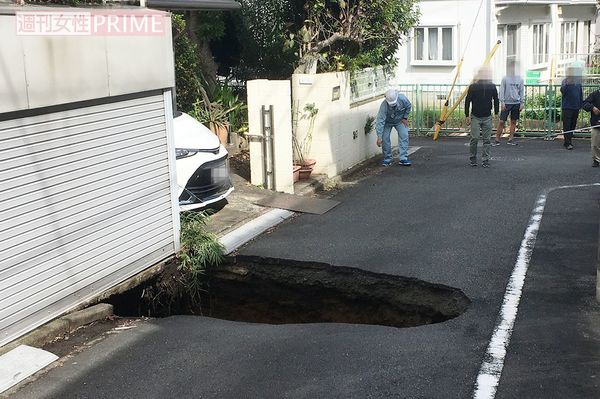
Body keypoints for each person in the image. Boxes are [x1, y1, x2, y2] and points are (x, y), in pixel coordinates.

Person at [465, 66, 499, 167]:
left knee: (487, 139)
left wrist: (496, 114)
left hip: (487, 116)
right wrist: (466, 115)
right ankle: (473, 158)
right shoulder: (473, 86)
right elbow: (467, 101)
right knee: (474, 138)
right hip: (475, 116)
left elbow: (496, 100)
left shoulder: (492, 86)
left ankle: (485, 160)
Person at [376, 89, 412, 166]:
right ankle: (387, 159)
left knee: (404, 135)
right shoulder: (384, 106)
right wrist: (379, 137)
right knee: (385, 138)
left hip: (400, 121)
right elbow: (380, 121)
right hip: (387, 122)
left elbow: (408, 106)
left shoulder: (403, 99)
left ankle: (403, 158)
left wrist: (405, 118)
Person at [496, 60, 524, 146]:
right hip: (506, 103)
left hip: (516, 103)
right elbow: (501, 90)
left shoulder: (520, 79)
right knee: (501, 121)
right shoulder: (505, 78)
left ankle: (510, 138)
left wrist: (522, 103)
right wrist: (502, 102)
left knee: (513, 122)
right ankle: (497, 139)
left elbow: (521, 91)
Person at [560, 64, 584, 150]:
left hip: (576, 107)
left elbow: (580, 94)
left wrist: (581, 104)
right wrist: (567, 84)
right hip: (567, 107)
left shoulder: (578, 82)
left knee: (573, 125)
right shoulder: (564, 81)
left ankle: (569, 140)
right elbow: (562, 91)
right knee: (567, 125)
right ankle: (567, 142)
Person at [582, 88, 600, 167]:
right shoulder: (594, 94)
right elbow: (584, 104)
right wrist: (592, 107)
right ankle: (596, 160)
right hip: (596, 123)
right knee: (595, 144)